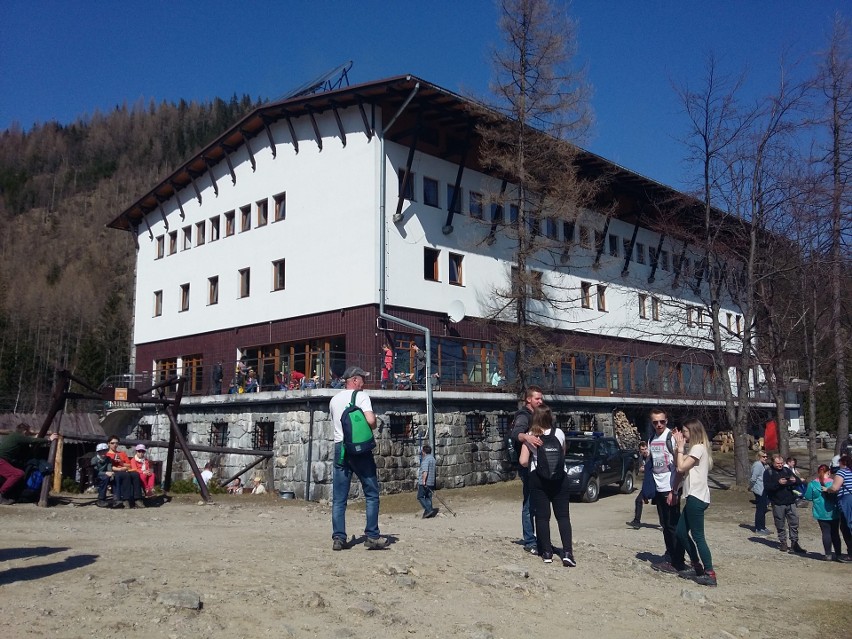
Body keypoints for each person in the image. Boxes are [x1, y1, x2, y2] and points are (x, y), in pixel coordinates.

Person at [329, 365, 386, 551]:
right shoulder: (361, 397)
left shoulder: (334, 400)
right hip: (359, 449)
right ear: (354, 380)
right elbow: (370, 422)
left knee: (339, 498)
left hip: (340, 448)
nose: (365, 382)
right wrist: (374, 421)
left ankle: (339, 538)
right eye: (362, 378)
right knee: (371, 492)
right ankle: (372, 535)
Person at [518, 405, 575, 566]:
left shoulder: (531, 435)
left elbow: (523, 461)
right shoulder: (559, 433)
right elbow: (562, 454)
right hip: (559, 479)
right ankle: (568, 552)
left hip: (539, 479)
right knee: (563, 516)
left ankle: (547, 552)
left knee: (542, 517)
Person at [672, 419, 716, 586]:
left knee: (698, 536)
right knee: (681, 532)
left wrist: (680, 449)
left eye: (685, 432)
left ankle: (710, 573)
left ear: (694, 432)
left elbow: (681, 467)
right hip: (692, 496)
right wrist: (679, 448)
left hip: (697, 497)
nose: (683, 435)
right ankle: (696, 565)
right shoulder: (696, 448)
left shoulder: (698, 448)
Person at [648, 408, 688, 574]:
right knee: (664, 525)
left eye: (662, 421)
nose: (659, 425)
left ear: (667, 421)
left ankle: (678, 560)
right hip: (658, 487)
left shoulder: (671, 437)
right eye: (655, 422)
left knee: (673, 525)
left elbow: (680, 466)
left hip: (670, 487)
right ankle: (670, 554)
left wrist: (674, 490)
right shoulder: (652, 438)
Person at [509, 385, 544, 554]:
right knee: (529, 503)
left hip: (538, 465)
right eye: (537, 398)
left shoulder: (538, 415)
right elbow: (516, 433)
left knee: (539, 503)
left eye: (541, 398)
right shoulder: (523, 415)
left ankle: (539, 537)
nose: (541, 401)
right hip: (527, 466)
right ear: (529, 399)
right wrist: (527, 437)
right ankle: (530, 540)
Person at [0, 424, 59, 504]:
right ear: (25, 431)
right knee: (18, 474)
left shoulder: (13, 436)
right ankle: (1, 494)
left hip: (3, 460)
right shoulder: (18, 437)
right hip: (1, 461)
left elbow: (28, 442)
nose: (29, 434)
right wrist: (49, 439)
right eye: (29, 432)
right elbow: (32, 441)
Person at [802, 464, 848, 562]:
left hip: (820, 511)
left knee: (826, 532)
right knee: (835, 533)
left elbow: (808, 497)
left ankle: (828, 554)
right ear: (829, 472)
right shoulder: (833, 483)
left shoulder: (813, 484)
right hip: (834, 511)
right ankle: (838, 554)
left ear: (819, 472)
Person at [764, 454, 806, 554]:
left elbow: (799, 481)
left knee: (794, 523)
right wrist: (778, 483)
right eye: (777, 463)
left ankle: (794, 543)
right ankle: (783, 542)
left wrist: (795, 480)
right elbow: (767, 487)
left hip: (790, 501)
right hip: (778, 502)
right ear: (773, 463)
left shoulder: (786, 470)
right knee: (780, 523)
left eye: (781, 463)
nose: (780, 465)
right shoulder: (768, 472)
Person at [823, 453, 852, 561]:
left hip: (847, 500)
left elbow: (835, 487)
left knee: (847, 526)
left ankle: (851, 554)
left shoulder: (842, 472)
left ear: (842, 463)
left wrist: (827, 489)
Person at [105, 436, 144, 508]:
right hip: (116, 471)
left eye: (116, 443)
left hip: (126, 469)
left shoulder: (122, 453)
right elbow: (109, 466)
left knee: (135, 475)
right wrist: (119, 469)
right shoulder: (107, 455)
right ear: (108, 444)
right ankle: (126, 500)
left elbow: (129, 465)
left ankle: (138, 499)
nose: (115, 445)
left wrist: (121, 463)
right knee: (125, 475)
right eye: (112, 443)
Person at [627, 441, 651, 528]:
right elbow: (640, 469)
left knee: (662, 504)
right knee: (638, 500)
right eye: (642, 450)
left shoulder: (652, 457)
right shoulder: (641, 458)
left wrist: (646, 468)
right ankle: (637, 522)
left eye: (645, 449)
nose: (644, 451)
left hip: (655, 483)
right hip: (647, 483)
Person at [749, 450, 770, 534]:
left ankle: (763, 527)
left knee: (764, 509)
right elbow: (753, 478)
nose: (765, 458)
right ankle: (758, 528)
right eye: (763, 457)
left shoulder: (763, 465)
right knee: (760, 509)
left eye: (766, 456)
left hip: (763, 489)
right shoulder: (757, 465)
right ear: (759, 457)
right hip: (759, 489)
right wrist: (750, 487)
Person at [417, 444, 437, 518]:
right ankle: (429, 513)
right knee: (428, 497)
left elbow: (425, 471)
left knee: (420, 496)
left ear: (424, 451)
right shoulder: (433, 459)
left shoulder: (426, 459)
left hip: (425, 482)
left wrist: (423, 481)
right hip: (431, 481)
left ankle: (428, 510)